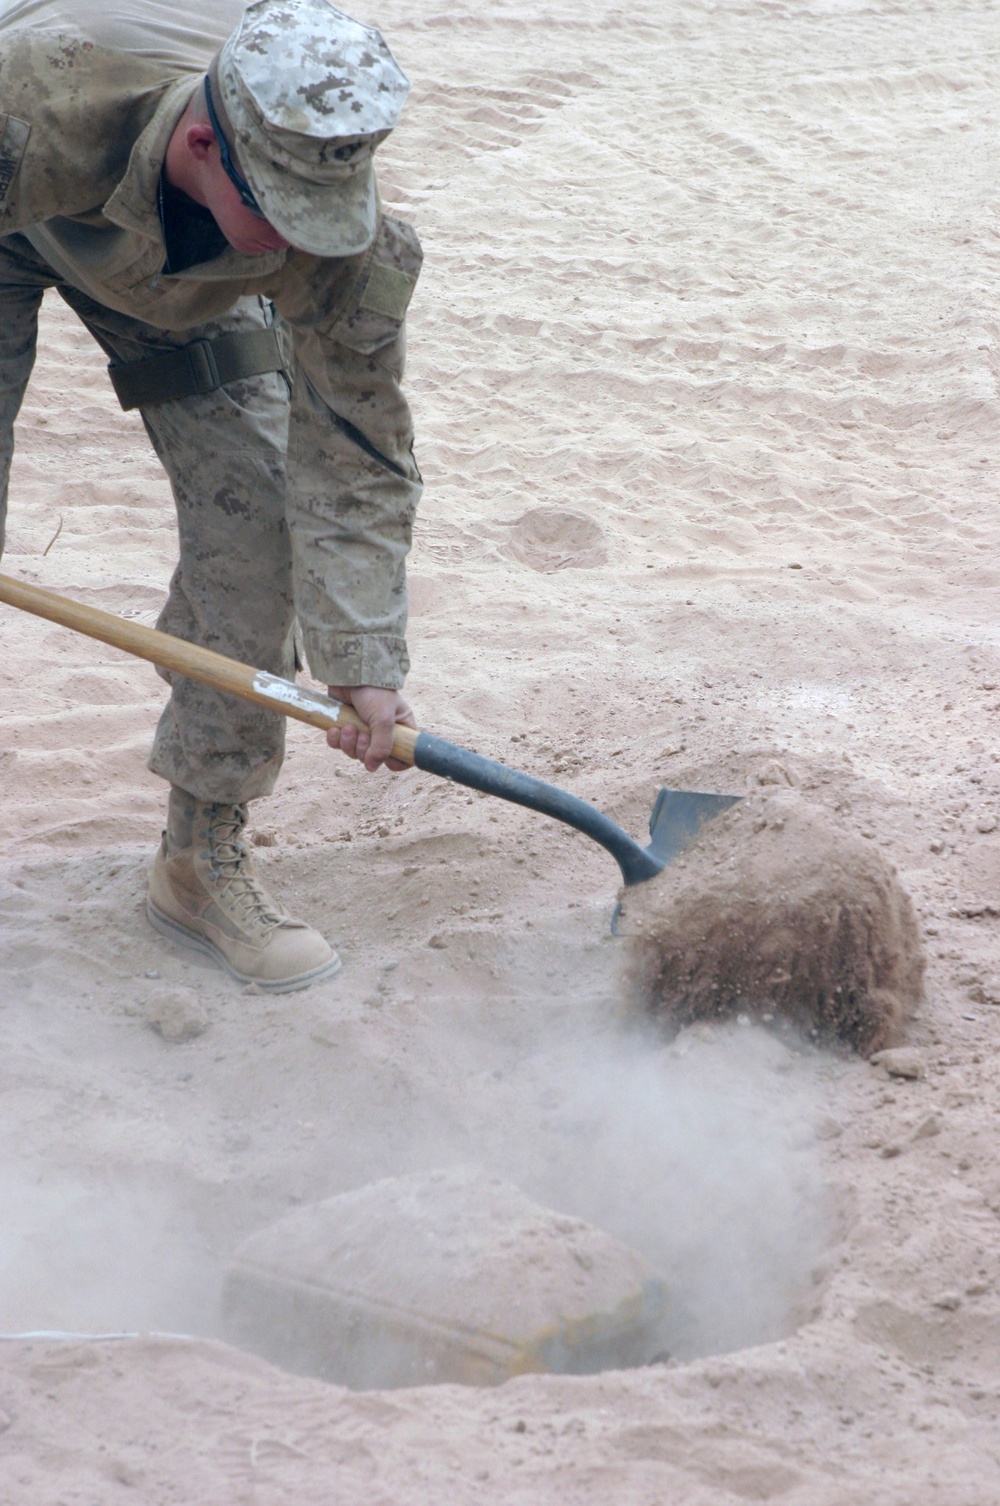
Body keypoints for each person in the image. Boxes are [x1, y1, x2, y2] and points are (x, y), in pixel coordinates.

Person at [0, 0, 424, 991]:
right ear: (202, 144)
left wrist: (362, 658)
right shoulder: (35, 100)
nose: (303, 246)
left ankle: (196, 857)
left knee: (266, 524)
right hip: (22, 193)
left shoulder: (335, 238)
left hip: (173, 285)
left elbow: (354, 453)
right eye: (283, 218)